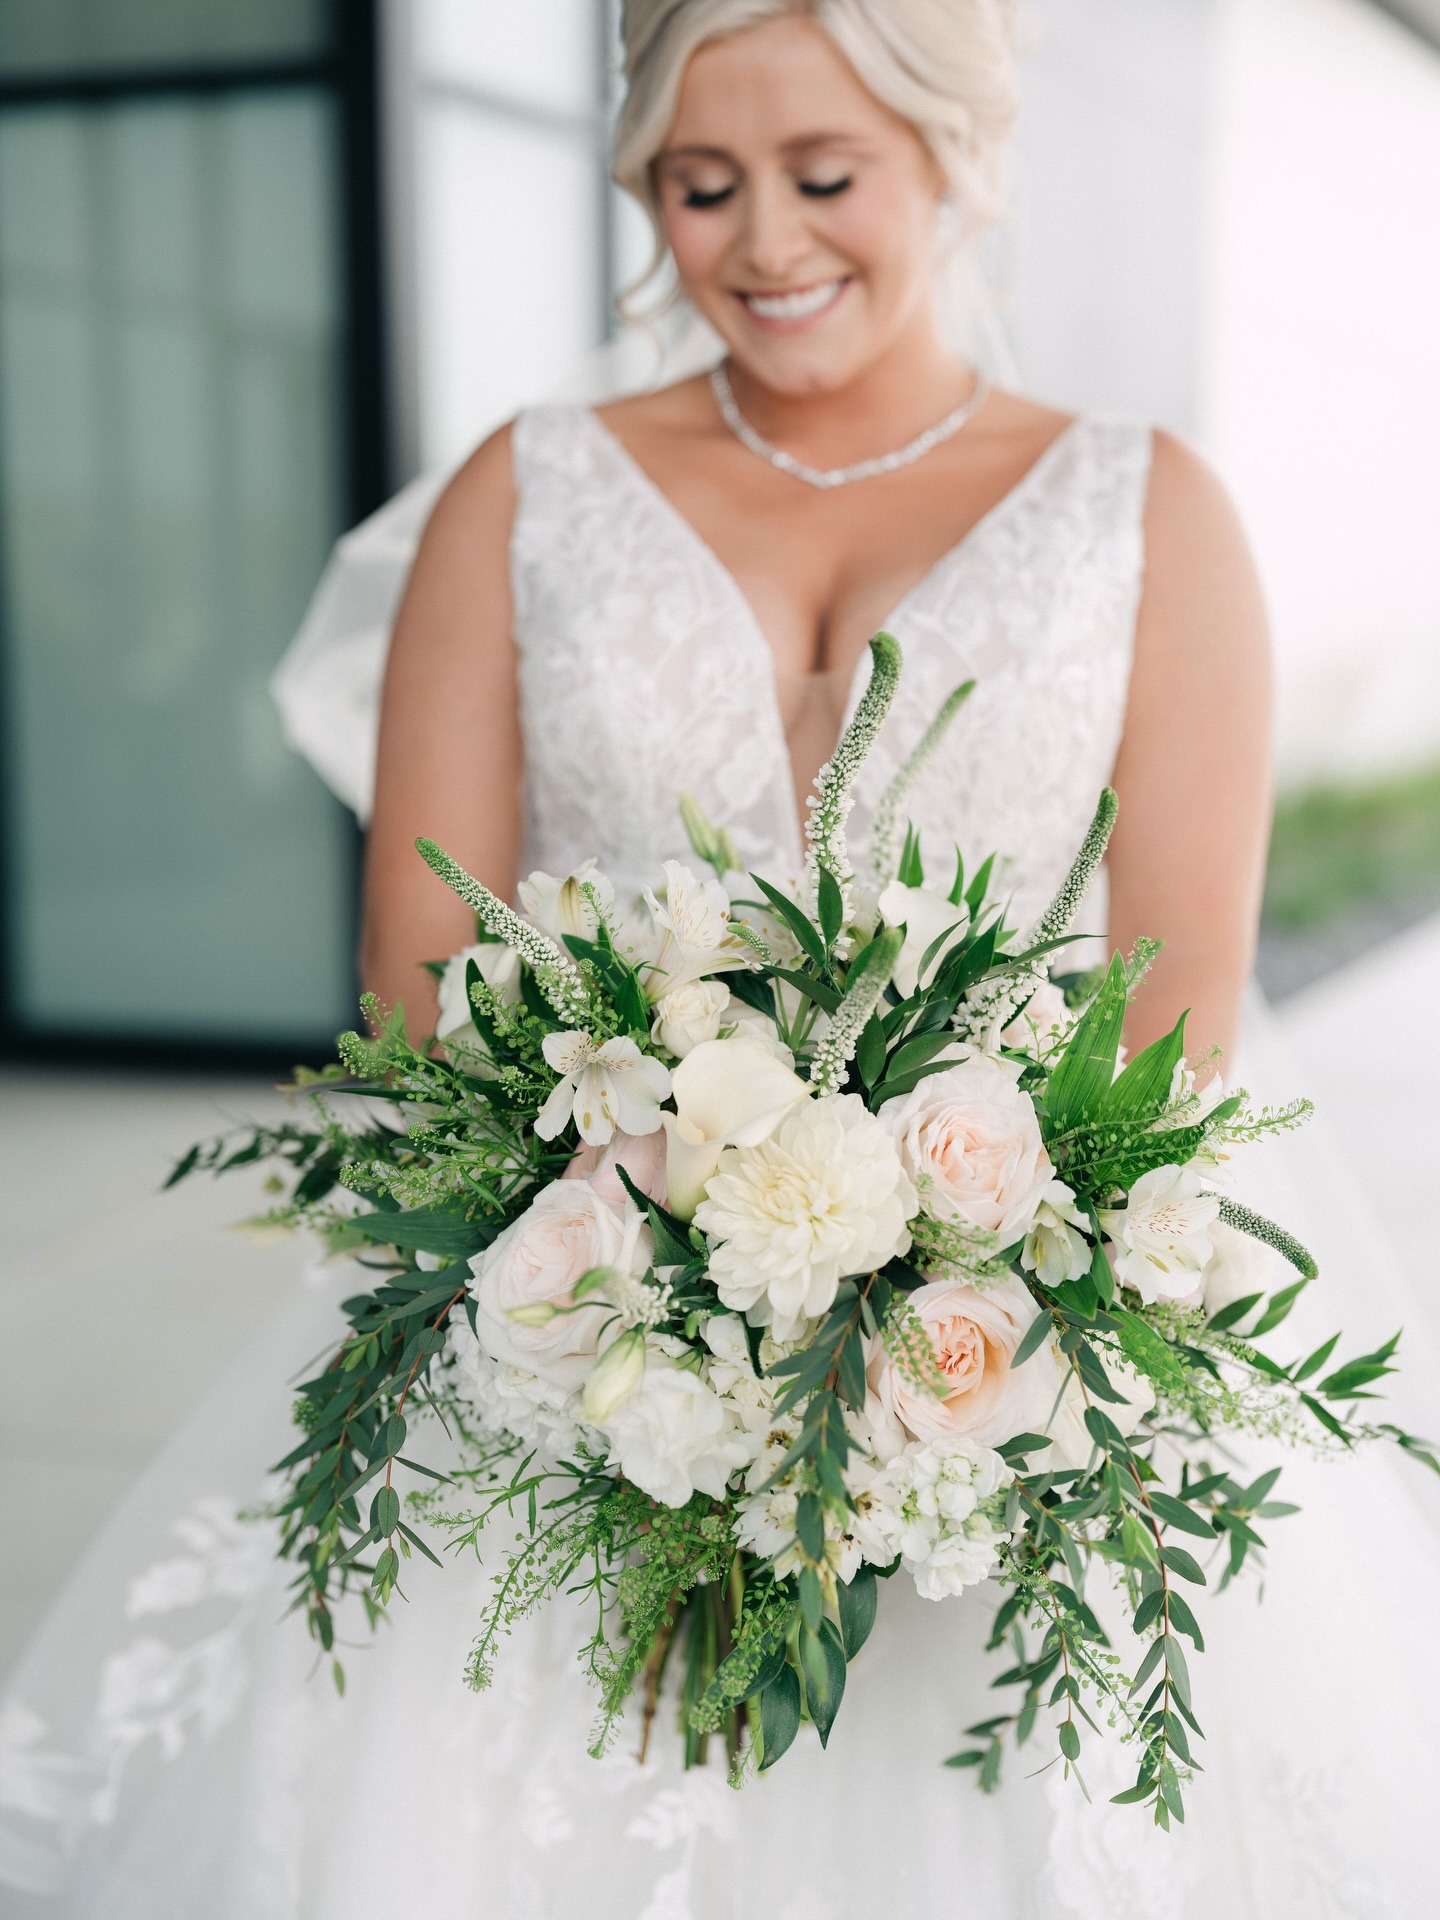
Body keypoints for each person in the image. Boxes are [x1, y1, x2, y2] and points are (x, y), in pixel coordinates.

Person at [4, 5, 1438, 1915]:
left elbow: (1172, 1037)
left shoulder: (1150, 515)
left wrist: (942, 1367)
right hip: (569, 1353)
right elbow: (417, 989)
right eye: (700, 184)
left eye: (824, 175)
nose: (764, 241)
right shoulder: (523, 498)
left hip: (1010, 1377)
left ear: (955, 157)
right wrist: (654, 1328)